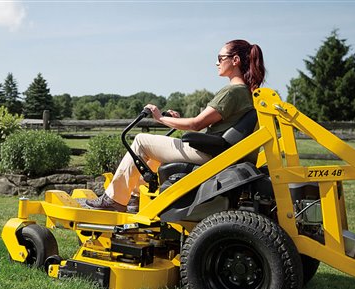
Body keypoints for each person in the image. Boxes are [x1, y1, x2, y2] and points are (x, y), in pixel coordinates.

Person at [85, 39, 266, 212]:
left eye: (220, 58)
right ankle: (135, 197)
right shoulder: (247, 93)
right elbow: (212, 124)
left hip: (209, 154)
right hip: (220, 153)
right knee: (155, 149)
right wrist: (178, 120)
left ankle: (115, 199)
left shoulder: (232, 92)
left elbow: (196, 124)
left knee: (141, 141)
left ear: (235, 60)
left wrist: (160, 118)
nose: (216, 63)